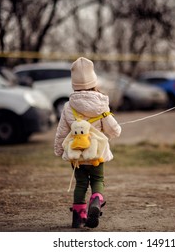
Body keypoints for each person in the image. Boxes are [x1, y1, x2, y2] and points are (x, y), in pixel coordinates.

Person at [54, 57, 122, 228]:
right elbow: (114, 131)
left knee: (81, 183)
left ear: (74, 84)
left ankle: (78, 218)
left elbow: (61, 131)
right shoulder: (101, 104)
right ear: (94, 81)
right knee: (98, 179)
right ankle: (96, 202)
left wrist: (59, 150)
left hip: (76, 154)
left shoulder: (69, 106)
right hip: (97, 154)